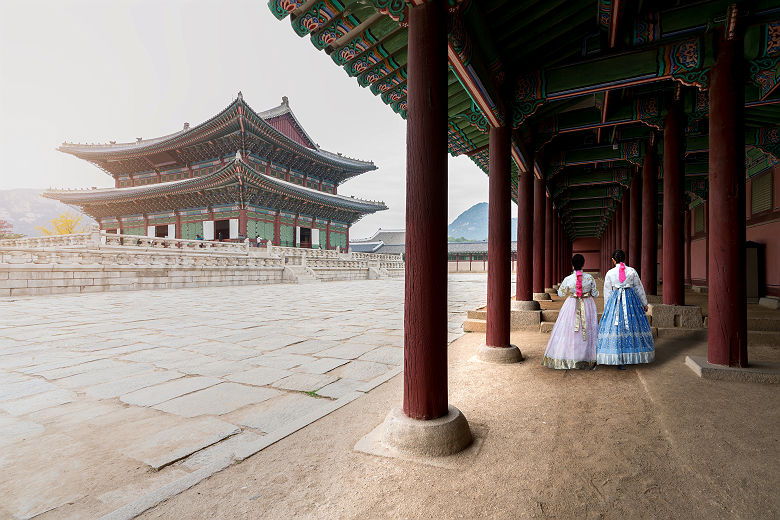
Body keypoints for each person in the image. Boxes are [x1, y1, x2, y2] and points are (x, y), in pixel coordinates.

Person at [596, 249, 655, 369]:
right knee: (632, 327)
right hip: (631, 301)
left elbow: (607, 291)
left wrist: (607, 308)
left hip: (615, 301)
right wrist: (644, 303)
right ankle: (632, 355)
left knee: (617, 327)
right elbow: (639, 288)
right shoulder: (632, 271)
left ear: (613, 260)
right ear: (624, 259)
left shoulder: (610, 273)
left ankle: (618, 356)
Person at [541, 254, 599, 370]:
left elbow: (561, 294)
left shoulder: (568, 279)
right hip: (587, 304)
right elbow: (595, 293)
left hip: (572, 304)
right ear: (583, 263)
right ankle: (588, 357)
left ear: (572, 264)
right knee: (587, 328)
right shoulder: (589, 278)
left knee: (569, 329)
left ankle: (569, 356)